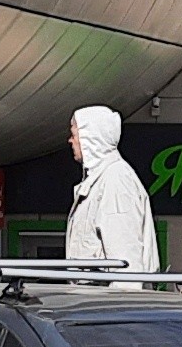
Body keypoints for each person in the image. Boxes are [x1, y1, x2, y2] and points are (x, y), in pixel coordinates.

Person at [66, 106, 160, 278]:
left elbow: (126, 262)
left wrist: (120, 303)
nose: (70, 141)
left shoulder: (116, 181)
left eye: (74, 135)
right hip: (94, 299)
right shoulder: (102, 178)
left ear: (90, 139)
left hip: (104, 300)